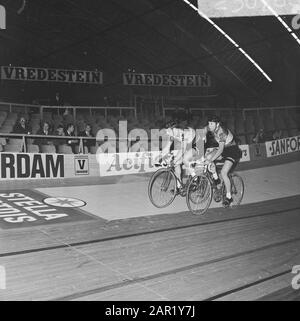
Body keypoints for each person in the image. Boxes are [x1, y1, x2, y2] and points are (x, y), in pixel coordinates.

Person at [203, 115, 242, 208]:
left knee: (224, 172)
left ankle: (229, 197)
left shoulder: (222, 132)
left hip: (232, 151)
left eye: (212, 123)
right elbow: (204, 130)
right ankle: (217, 180)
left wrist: (211, 160)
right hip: (224, 149)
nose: (210, 125)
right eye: (209, 123)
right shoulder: (211, 126)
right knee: (208, 157)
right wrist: (203, 137)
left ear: (217, 124)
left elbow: (220, 150)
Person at [160, 115, 196, 193]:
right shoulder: (172, 133)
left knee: (184, 158)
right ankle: (179, 187)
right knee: (176, 163)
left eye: (168, 131)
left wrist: (176, 159)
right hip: (186, 144)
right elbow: (167, 147)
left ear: (173, 129)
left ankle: (195, 178)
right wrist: (162, 155)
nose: (167, 133)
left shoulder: (182, 132)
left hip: (196, 143)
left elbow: (184, 148)